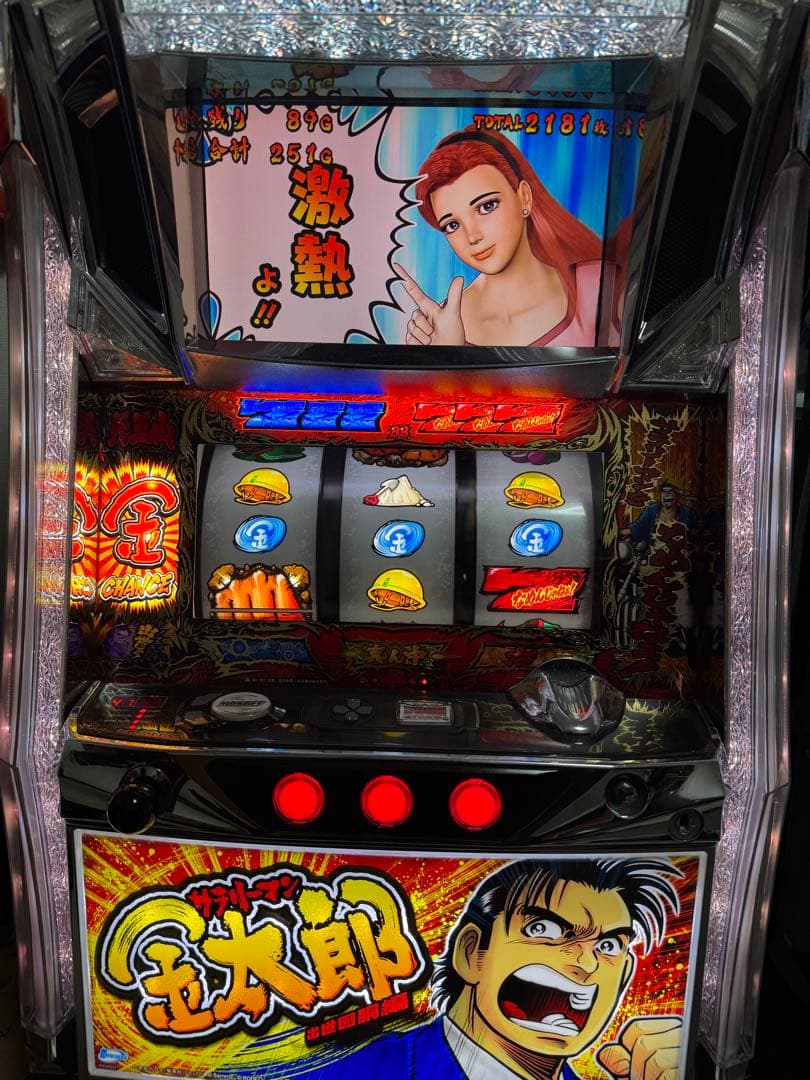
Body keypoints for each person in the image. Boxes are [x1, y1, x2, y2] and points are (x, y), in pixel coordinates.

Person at [317, 857, 684, 1079]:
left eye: (608, 946)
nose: (587, 964)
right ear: (471, 953)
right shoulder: (342, 1070)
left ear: (623, 976)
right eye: (543, 930)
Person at [394, 127, 612, 348]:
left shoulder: (601, 287)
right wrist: (442, 358)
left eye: (487, 206)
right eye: (452, 225)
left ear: (524, 197)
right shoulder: (442, 326)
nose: (473, 236)